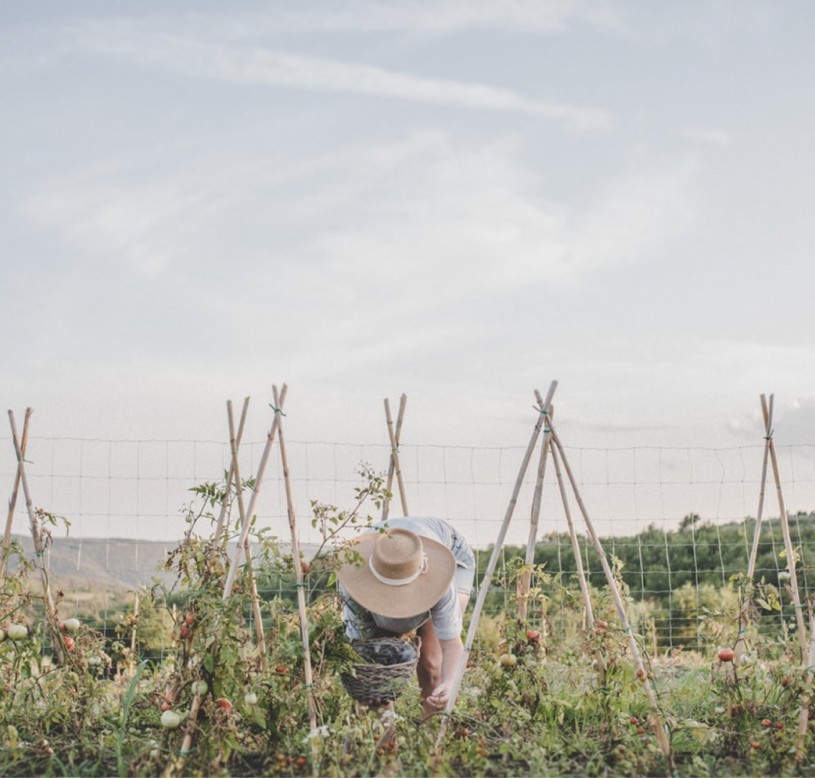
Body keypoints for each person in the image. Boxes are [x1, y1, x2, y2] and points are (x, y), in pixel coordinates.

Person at [337, 516, 474, 717]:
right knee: (379, 667)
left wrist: (449, 682)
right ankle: (386, 742)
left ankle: (430, 734)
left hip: (451, 553)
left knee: (431, 662)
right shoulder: (354, 586)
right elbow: (361, 650)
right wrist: (374, 687)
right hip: (383, 561)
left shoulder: (440, 584)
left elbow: (451, 645)